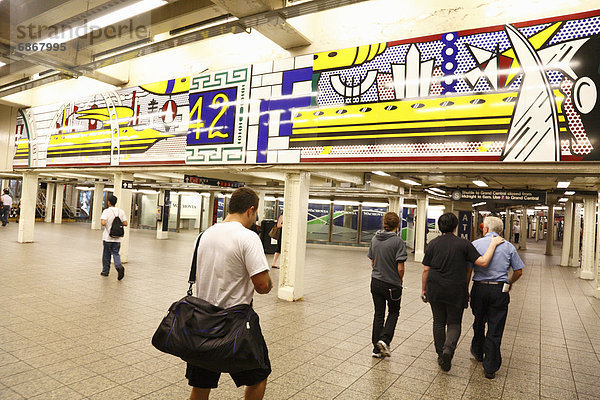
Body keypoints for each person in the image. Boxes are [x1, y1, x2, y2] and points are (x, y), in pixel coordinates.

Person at [187, 187, 273, 400]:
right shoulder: (248, 237)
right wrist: (270, 283)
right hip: (235, 324)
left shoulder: (204, 235)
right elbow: (262, 286)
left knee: (201, 385)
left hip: (202, 321)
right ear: (251, 210)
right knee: (258, 376)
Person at [421, 212, 504, 372]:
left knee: (438, 322)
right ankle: (448, 350)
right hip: (456, 289)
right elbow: (483, 262)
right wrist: (493, 244)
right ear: (455, 226)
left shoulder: (432, 244)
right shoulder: (464, 244)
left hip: (435, 288)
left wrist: (424, 289)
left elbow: (426, 270)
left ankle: (440, 354)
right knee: (454, 322)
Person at [468, 216, 523, 380]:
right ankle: (490, 368)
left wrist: (466, 289)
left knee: (479, 321)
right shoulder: (508, 246)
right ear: (500, 230)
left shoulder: (475, 245)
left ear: (485, 229)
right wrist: (510, 282)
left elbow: (468, 269)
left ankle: (478, 352)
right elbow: (519, 271)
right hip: (499, 290)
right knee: (495, 327)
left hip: (479, 288)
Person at [368, 212, 407, 358]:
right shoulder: (398, 242)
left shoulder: (374, 239)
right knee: (393, 312)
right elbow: (400, 267)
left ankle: (376, 349)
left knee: (378, 314)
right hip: (392, 284)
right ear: (397, 225)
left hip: (375, 282)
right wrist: (399, 280)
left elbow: (372, 262)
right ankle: (384, 340)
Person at [100, 195, 128, 280]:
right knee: (116, 253)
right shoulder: (121, 211)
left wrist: (107, 222)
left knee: (106, 255)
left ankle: (105, 271)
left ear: (108, 202)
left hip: (108, 238)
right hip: (117, 238)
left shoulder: (106, 211)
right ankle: (118, 266)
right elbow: (125, 223)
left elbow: (103, 223)